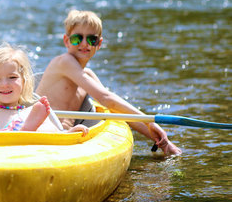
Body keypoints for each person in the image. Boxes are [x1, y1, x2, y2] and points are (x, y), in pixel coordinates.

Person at [36, 10, 182, 156]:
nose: (84, 43)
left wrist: (162, 141)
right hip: (42, 131)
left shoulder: (88, 76)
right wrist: (150, 122)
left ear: (99, 43)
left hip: (65, 135)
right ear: (67, 41)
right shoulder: (64, 62)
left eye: (91, 39)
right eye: (77, 39)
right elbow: (107, 99)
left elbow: (117, 111)